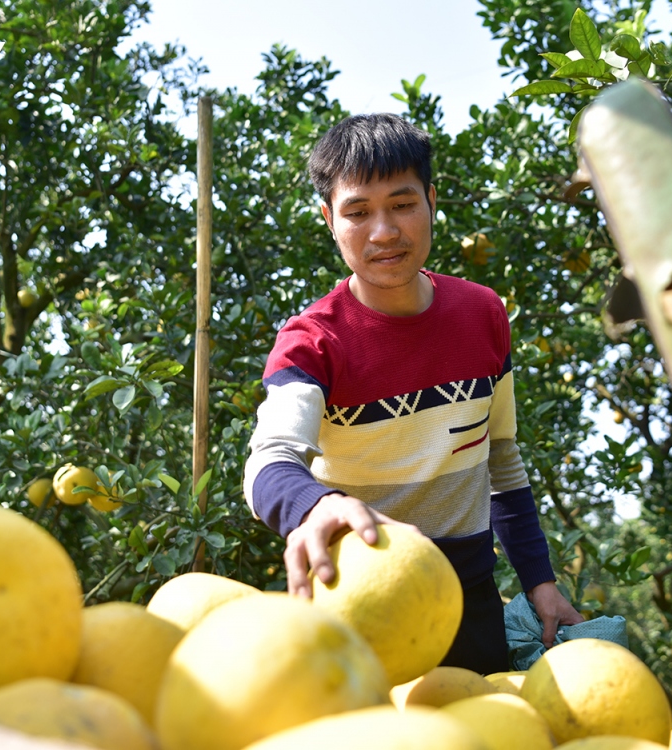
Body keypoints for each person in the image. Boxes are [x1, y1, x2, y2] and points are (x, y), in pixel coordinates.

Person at [242, 113, 581, 675]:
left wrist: (539, 582)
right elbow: (267, 464)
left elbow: (500, 461)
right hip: (357, 601)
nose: (384, 231)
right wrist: (320, 505)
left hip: (468, 598)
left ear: (431, 200)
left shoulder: (483, 315)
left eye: (401, 204)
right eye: (357, 212)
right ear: (329, 220)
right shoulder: (313, 342)